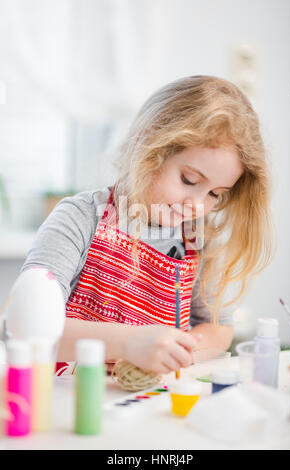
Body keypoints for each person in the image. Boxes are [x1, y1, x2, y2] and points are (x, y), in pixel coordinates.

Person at [20, 75, 274, 376]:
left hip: (149, 405)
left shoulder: (197, 239)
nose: (196, 204)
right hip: (68, 403)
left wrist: (179, 350)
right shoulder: (80, 219)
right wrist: (127, 343)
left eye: (215, 194)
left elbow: (219, 327)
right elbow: (24, 325)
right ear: (148, 143)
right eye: (189, 180)